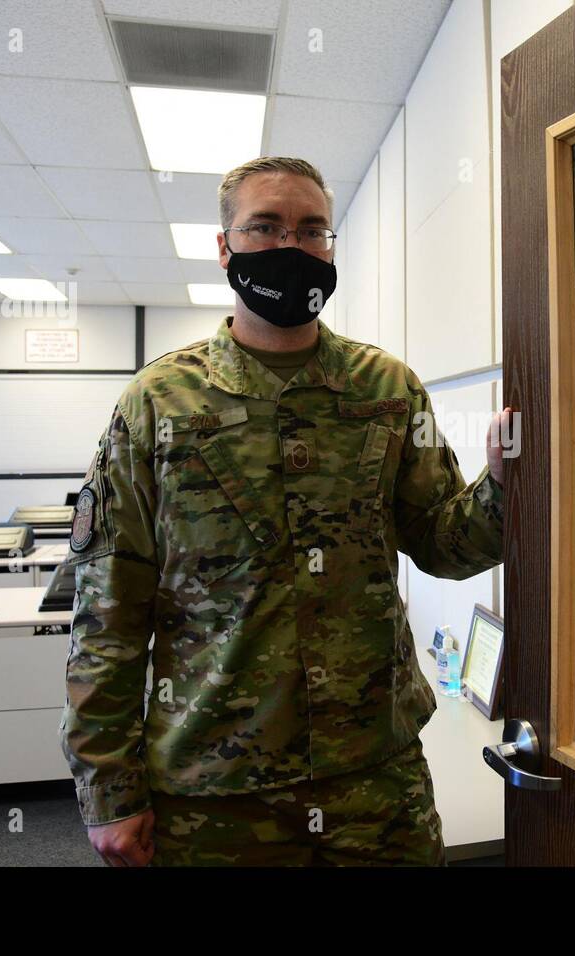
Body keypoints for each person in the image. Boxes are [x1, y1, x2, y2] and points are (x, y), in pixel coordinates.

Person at [58, 156, 511, 866]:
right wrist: (108, 790)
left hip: (374, 779)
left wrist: (508, 482)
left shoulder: (387, 389)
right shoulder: (157, 403)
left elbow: (445, 546)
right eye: (264, 227)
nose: (290, 247)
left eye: (311, 231)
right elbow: (108, 609)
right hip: (216, 791)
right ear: (224, 246)